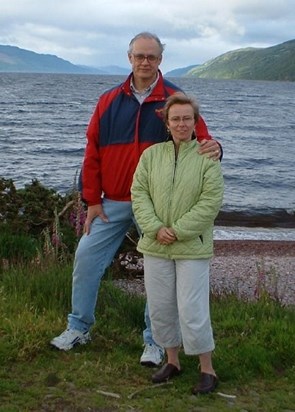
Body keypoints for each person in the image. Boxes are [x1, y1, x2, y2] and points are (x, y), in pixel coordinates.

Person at [50, 32, 222, 368]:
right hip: (111, 202)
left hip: (157, 209)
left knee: (160, 274)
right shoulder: (109, 100)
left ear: (161, 60)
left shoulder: (175, 98)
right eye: (139, 56)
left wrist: (218, 148)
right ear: (129, 58)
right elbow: (92, 152)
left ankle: (155, 342)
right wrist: (92, 201)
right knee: (85, 259)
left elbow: (202, 141)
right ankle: (78, 327)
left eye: (152, 57)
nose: (145, 62)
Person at [131, 92, 224, 394]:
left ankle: (207, 369)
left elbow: (210, 202)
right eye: (176, 119)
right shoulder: (151, 156)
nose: (181, 124)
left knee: (192, 308)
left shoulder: (207, 158)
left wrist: (178, 230)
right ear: (167, 124)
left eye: (187, 118)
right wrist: (155, 228)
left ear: (195, 122)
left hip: (191, 246)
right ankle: (172, 361)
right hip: (155, 244)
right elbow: (139, 194)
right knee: (161, 306)